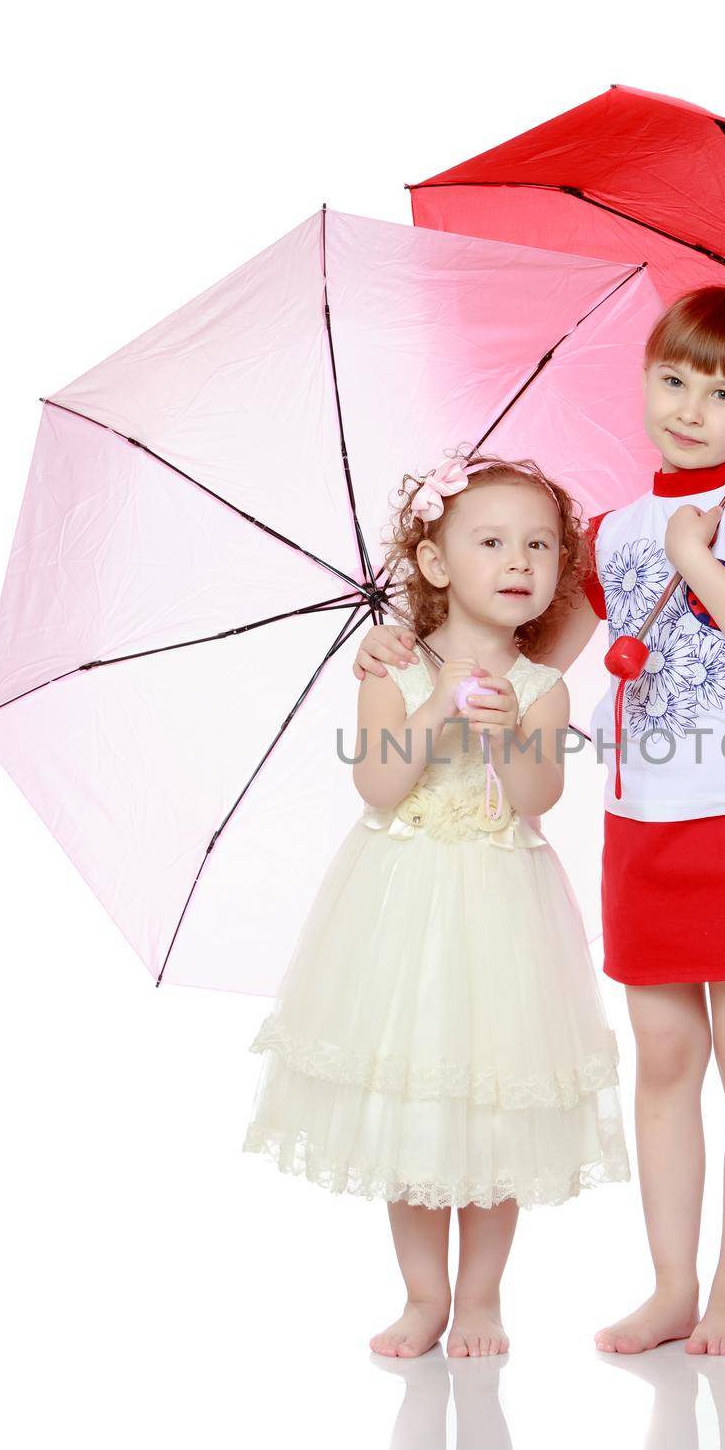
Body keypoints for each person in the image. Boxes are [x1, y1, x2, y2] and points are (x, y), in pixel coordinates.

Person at [353, 286, 725, 1357]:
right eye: (671, 379)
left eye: (720, 390)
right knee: (663, 1052)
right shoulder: (613, 528)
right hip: (645, 824)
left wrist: (700, 561)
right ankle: (671, 1285)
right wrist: (403, 647)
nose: (689, 407)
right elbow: (524, 651)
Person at [244, 448, 630, 1361]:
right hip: (404, 905)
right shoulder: (391, 668)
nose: (519, 561)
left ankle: (485, 1297)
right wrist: (433, 711)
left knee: (492, 1095)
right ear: (433, 565)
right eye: (491, 541)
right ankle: (424, 1295)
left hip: (502, 902)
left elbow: (538, 800)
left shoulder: (543, 685)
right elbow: (379, 785)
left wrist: (504, 738)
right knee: (417, 1093)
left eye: (540, 546)